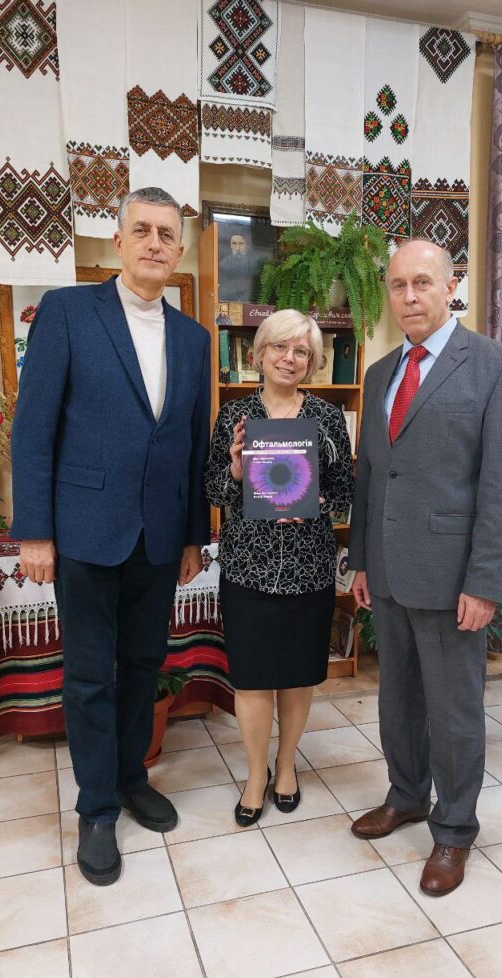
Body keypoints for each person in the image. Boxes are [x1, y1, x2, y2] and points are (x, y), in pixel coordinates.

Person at [10, 187, 210, 886]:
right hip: (85, 531)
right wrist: (34, 532)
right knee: (91, 675)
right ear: (118, 242)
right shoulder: (68, 313)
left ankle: (130, 778)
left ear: (178, 250)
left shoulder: (194, 338)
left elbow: (193, 446)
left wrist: (194, 536)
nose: (155, 243)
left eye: (167, 234)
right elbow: (33, 429)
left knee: (144, 664)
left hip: (160, 537)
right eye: (142, 230)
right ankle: (96, 808)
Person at [349, 239, 502, 896]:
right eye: (398, 285)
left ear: (450, 285)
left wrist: (485, 583)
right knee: (397, 699)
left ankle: (453, 829)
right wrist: (360, 561)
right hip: (389, 573)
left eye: (422, 283)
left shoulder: (497, 366)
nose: (409, 297)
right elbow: (372, 477)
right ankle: (406, 796)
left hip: (454, 579)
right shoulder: (380, 373)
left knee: (454, 711)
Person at [205, 310, 354, 824]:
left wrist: (313, 502)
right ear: (259, 354)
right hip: (247, 567)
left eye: (301, 351)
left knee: (295, 676)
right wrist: (235, 472)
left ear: (311, 362)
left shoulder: (327, 418)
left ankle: (286, 766)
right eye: (280, 348)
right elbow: (214, 490)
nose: (290, 359)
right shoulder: (236, 415)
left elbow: (344, 490)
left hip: (308, 568)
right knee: (250, 680)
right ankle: (255, 774)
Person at [219, 231, 259, 301]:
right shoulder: (223, 264)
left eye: (241, 244)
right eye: (234, 244)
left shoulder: (254, 264)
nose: (237, 248)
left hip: (248, 299)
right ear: (230, 245)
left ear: (247, 245)